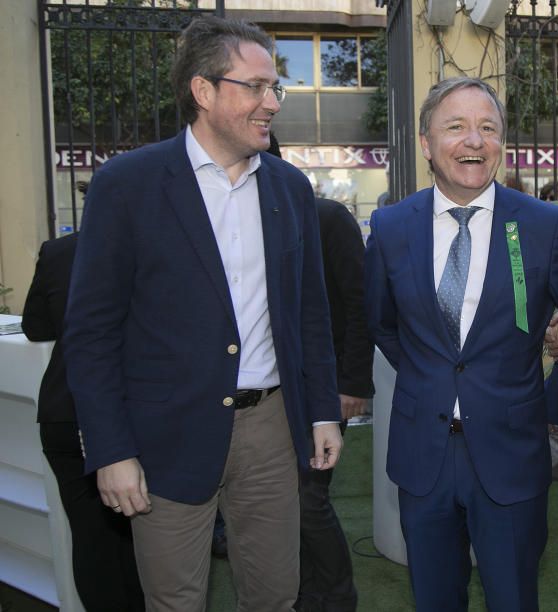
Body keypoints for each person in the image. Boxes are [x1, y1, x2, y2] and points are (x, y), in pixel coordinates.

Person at [61, 16, 343, 611]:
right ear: (203, 91)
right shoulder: (127, 185)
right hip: (165, 434)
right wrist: (110, 449)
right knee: (175, 602)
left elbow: (309, 314)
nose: (272, 103)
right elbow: (91, 333)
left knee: (275, 597)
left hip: (271, 428)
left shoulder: (290, 189)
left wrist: (321, 411)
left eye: (276, 88)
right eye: (256, 86)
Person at [364, 76, 558, 612]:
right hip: (423, 455)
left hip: (512, 452)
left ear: (501, 143)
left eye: (487, 128)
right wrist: (432, 379)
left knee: (513, 597)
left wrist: (553, 404)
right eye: (456, 127)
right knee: (434, 599)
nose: (474, 141)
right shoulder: (392, 226)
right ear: (426, 143)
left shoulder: (544, 225)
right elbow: (381, 324)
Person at [22, 218, 145, 611]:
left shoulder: (57, 251)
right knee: (143, 540)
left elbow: (35, 327)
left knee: (92, 539)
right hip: (130, 414)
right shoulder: (151, 248)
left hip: (64, 410)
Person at [296, 195, 373, 612]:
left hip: (322, 388)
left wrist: (353, 384)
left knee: (308, 498)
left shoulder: (326, 217)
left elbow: (361, 302)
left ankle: (337, 597)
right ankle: (303, 593)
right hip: (262, 393)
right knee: (281, 505)